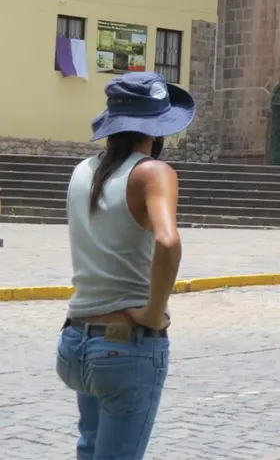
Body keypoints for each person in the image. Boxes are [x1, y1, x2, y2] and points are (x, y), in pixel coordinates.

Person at [55, 71, 195, 459]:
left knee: (91, 448)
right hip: (123, 348)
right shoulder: (152, 172)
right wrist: (153, 313)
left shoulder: (82, 171)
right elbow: (168, 240)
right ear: (157, 129)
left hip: (76, 342)